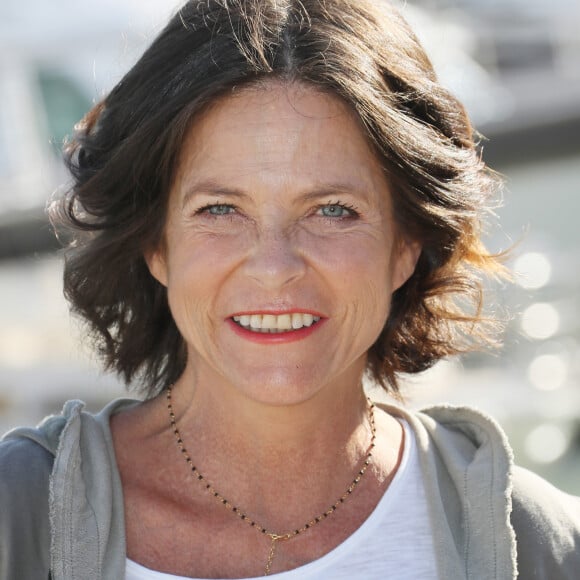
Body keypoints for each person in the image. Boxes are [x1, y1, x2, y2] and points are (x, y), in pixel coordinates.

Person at [1, 0, 579, 578]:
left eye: (332, 210)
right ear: (155, 242)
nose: (275, 267)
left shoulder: (544, 547)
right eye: (221, 209)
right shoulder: (17, 517)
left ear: (406, 244)